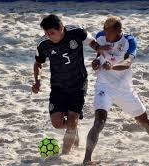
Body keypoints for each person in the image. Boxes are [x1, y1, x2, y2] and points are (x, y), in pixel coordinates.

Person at [83, 16, 149, 165]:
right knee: (99, 121)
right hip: (103, 86)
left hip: (123, 87)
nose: (105, 35)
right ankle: (87, 159)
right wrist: (96, 62)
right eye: (104, 31)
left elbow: (128, 62)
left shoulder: (129, 42)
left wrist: (112, 67)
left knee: (144, 120)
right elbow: (99, 55)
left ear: (119, 30)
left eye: (109, 32)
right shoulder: (101, 36)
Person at [31, 14, 107, 154]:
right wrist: (37, 81)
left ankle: (64, 154)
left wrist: (98, 49)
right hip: (58, 86)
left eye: (52, 33)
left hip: (78, 84)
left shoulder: (76, 32)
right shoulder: (43, 44)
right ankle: (74, 127)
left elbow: (91, 41)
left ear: (61, 28)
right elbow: (38, 63)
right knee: (57, 123)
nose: (49, 36)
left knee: (72, 121)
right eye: (46, 33)